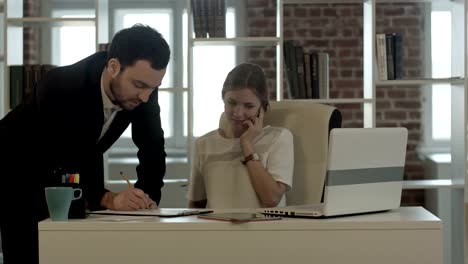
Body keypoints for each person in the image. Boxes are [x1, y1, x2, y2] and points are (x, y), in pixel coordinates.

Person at [0, 24, 170, 263]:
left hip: (73, 167)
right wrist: (107, 198)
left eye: (153, 88)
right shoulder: (61, 85)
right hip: (17, 170)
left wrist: (146, 203)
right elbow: (61, 160)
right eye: (140, 86)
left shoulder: (144, 88)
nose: (145, 97)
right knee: (29, 253)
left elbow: (153, 148)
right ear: (113, 67)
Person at [187, 63, 294, 209]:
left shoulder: (278, 138)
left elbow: (271, 198)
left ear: (263, 108)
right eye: (231, 103)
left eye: (248, 106)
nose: (237, 113)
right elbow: (196, 206)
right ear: (223, 99)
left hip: (264, 230)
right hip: (217, 230)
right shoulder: (204, 144)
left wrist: (246, 145)